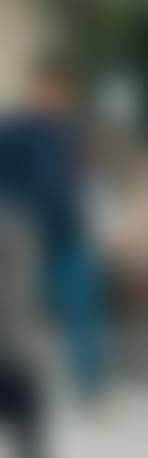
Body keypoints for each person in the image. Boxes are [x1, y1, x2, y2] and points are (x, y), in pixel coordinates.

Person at [0, 59, 108, 397]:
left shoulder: (69, 132)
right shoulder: (15, 130)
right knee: (19, 311)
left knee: (82, 304)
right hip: (26, 233)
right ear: (35, 90)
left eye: (59, 91)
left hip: (67, 230)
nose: (53, 97)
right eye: (47, 89)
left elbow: (78, 178)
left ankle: (90, 380)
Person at [0, 202, 50, 458]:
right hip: (16, 350)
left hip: (13, 351)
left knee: (25, 420)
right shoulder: (17, 231)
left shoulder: (14, 233)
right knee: (26, 426)